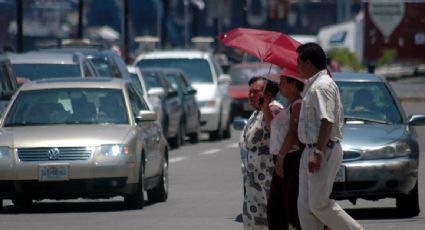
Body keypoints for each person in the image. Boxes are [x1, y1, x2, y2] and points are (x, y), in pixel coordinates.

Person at [295, 42, 363, 230]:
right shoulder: (312, 85)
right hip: (309, 150)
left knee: (318, 203)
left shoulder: (322, 86)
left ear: (308, 63)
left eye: (298, 62)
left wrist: (318, 151)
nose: (296, 67)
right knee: (306, 207)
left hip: (323, 149)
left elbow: (327, 121)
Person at [263, 68, 305, 230]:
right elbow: (270, 126)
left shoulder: (298, 105)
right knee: (275, 210)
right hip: (281, 159)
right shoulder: (288, 106)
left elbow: (292, 133)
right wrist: (265, 105)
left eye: (283, 82)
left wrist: (281, 157)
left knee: (292, 210)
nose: (279, 85)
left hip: (290, 159)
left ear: (294, 84)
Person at [239, 76, 282, 230]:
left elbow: (277, 132)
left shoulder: (274, 109)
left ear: (267, 94)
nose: (251, 95)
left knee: (271, 221)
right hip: (253, 181)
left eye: (255, 92)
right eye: (249, 92)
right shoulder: (256, 113)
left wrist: (265, 108)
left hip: (268, 181)